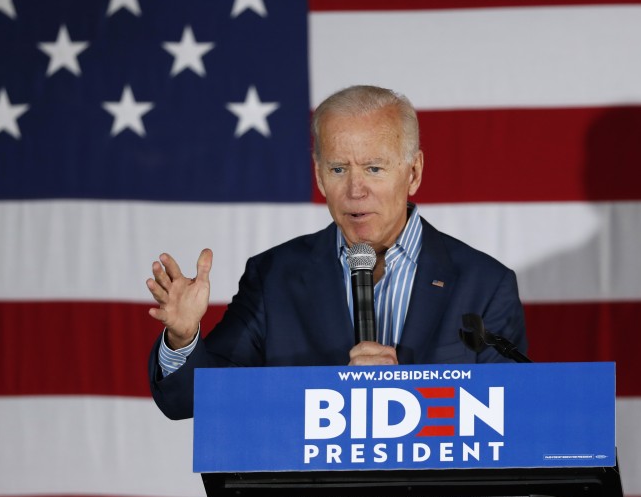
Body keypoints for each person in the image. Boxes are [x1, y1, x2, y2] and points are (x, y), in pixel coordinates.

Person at [147, 85, 527, 419]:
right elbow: (190, 402)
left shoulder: (485, 285)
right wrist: (183, 338)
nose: (355, 190)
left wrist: (411, 401)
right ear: (318, 175)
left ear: (413, 172)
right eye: (339, 169)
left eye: (374, 168)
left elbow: (512, 417)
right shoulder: (274, 278)